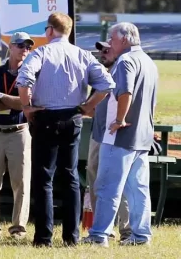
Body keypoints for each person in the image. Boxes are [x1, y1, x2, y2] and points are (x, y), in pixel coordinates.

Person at [16, 12, 115, 247]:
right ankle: (72, 236)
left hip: (46, 117)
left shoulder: (42, 52)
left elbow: (24, 79)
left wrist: (27, 107)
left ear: (50, 30)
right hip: (72, 116)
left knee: (43, 178)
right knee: (70, 175)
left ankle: (43, 238)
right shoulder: (82, 54)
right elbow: (107, 84)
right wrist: (88, 106)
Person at [83, 22, 158, 247]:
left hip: (119, 135)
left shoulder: (125, 61)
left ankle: (98, 235)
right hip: (141, 137)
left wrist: (118, 119)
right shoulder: (148, 61)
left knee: (107, 187)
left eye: (112, 39)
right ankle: (140, 235)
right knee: (138, 190)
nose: (110, 44)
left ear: (124, 40)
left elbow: (125, 91)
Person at [0, 31, 33, 239]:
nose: (25, 50)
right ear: (10, 47)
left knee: (21, 182)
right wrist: (13, 101)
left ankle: (18, 227)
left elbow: (24, 104)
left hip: (19, 132)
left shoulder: (30, 73)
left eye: (28, 47)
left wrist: (1, 96)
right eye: (21, 45)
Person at [85, 39, 131, 241]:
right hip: (98, 136)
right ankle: (102, 227)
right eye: (100, 51)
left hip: (118, 135)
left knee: (122, 183)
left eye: (106, 50)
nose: (102, 53)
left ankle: (127, 229)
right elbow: (91, 109)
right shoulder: (99, 79)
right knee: (95, 180)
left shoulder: (124, 73)